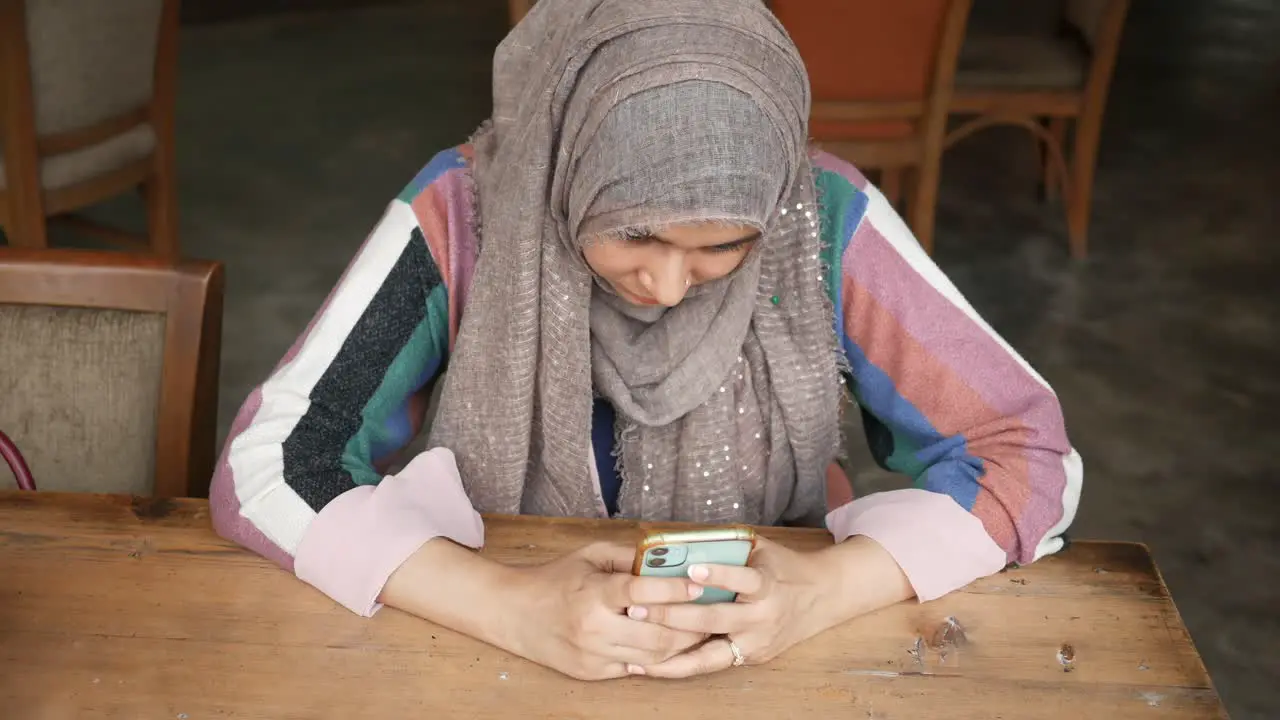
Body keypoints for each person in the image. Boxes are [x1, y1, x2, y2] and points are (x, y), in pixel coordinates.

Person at [209, 0, 1081, 682]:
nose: (664, 288)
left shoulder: (814, 218)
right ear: (569, 165)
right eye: (631, 237)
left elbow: (1031, 457)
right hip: (486, 648)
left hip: (770, 652)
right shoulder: (470, 215)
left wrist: (825, 589)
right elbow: (268, 466)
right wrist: (508, 605)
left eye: (719, 251)